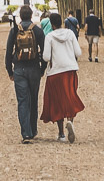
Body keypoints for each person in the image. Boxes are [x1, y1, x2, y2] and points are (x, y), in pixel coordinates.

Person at [41, 11, 84, 143]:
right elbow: (78, 52)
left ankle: (61, 134)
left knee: (57, 101)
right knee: (70, 96)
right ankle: (70, 121)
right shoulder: (70, 33)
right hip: (70, 70)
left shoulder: (49, 37)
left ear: (52, 25)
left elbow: (46, 57)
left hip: (55, 72)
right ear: (61, 22)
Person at [5, 4, 45, 143]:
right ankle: (33, 129)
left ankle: (26, 133)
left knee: (22, 101)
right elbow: (44, 52)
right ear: (31, 15)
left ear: (21, 16)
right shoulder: (38, 30)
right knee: (33, 100)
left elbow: (8, 52)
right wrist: (42, 69)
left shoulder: (14, 30)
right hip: (34, 68)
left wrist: (10, 71)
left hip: (19, 69)